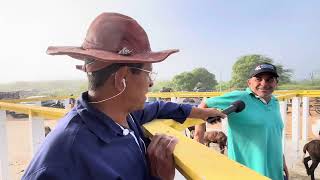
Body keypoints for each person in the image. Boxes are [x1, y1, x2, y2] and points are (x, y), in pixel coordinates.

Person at [22, 12, 225, 180]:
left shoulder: (121, 116)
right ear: (122, 78)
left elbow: (158, 108)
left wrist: (201, 112)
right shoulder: (65, 159)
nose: (151, 83)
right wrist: (159, 177)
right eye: (149, 73)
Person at [194, 63, 289, 180]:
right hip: (248, 172)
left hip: (274, 171)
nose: (264, 84)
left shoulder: (274, 102)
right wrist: (198, 137)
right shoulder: (240, 97)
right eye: (258, 79)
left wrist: (282, 161)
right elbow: (204, 105)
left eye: (269, 80)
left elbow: (274, 135)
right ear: (249, 83)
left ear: (276, 83)